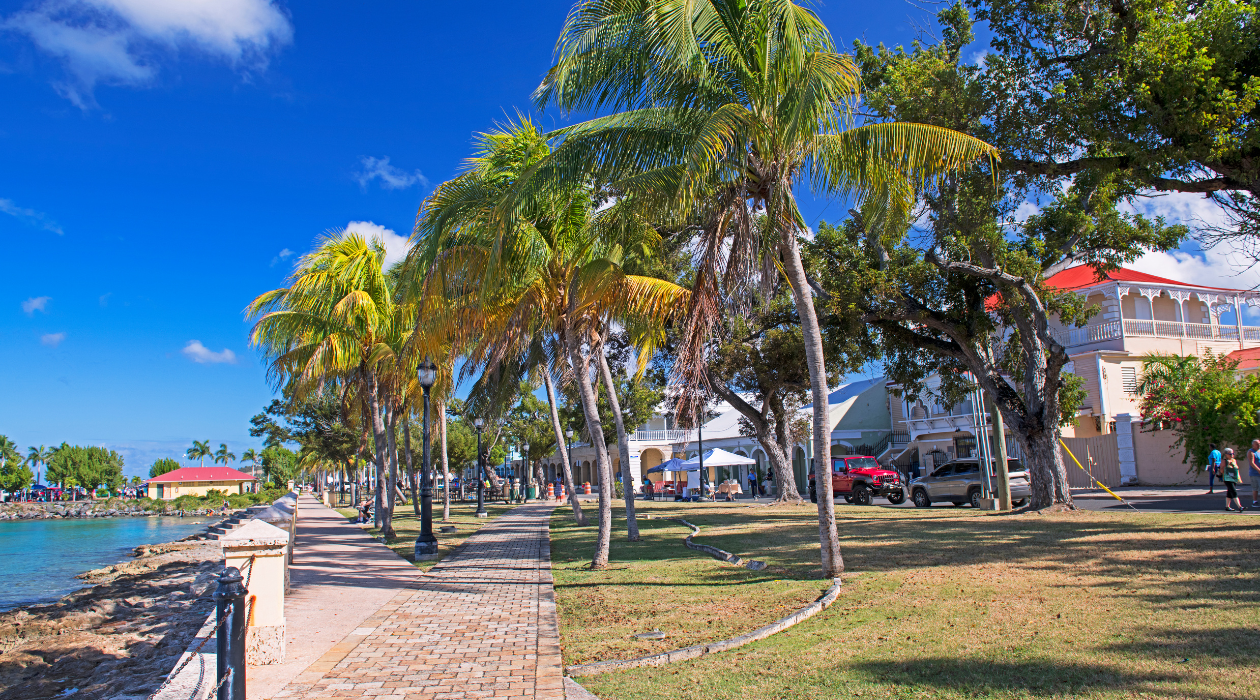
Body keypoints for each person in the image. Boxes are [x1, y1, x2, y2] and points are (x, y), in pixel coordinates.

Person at [1222, 447, 1244, 512]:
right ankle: (1240, 507)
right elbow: (1221, 470)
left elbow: (1236, 468)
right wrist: (1227, 465)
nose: (1232, 455)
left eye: (1232, 454)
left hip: (1233, 478)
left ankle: (1227, 507)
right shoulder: (1224, 461)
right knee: (1234, 491)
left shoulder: (1234, 460)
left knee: (1229, 492)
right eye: (1230, 454)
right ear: (1226, 454)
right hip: (1227, 478)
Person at [1250, 439, 1260, 508]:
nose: (1258, 445)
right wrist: (1258, 470)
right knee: (1255, 487)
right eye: (1256, 444)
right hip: (1254, 473)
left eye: (1259, 443)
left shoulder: (1259, 451)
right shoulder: (1251, 452)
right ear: (1253, 445)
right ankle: (1255, 502)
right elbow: (1251, 463)